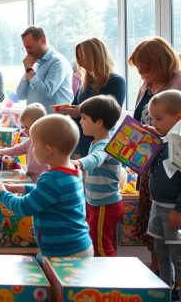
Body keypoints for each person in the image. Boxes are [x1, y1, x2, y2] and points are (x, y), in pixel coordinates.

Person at [128, 36, 181, 271]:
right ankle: (162, 284)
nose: (142, 73)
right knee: (157, 241)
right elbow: (144, 117)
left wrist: (164, 138)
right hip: (154, 169)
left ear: (161, 62)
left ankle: (180, 290)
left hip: (179, 175)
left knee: (179, 246)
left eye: (146, 67)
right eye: (139, 68)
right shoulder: (149, 82)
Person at [0, 114, 92, 258]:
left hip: (65, 253)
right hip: (73, 247)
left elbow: (24, 207)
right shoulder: (71, 171)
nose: (32, 149)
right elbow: (48, 195)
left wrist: (2, 195)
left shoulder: (52, 178)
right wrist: (21, 188)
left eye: (34, 145)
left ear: (48, 150)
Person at [147, 90, 181, 302]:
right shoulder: (166, 139)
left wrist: (179, 209)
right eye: (152, 118)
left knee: (180, 257)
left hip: (178, 210)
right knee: (161, 252)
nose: (154, 122)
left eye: (159, 119)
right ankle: (165, 293)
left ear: (178, 118)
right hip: (157, 206)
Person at [70, 95, 123, 257]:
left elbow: (96, 159)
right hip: (96, 203)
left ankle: (106, 280)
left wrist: (79, 163)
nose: (80, 122)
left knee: (100, 247)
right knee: (97, 241)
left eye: (84, 118)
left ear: (99, 122)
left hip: (105, 205)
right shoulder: (97, 142)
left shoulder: (105, 144)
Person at [59, 38, 126, 157]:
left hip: (99, 140)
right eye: (78, 57)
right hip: (80, 139)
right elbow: (75, 105)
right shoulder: (85, 82)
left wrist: (80, 111)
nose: (80, 62)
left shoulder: (116, 81)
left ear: (95, 56)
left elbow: (112, 114)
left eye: (83, 57)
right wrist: (67, 110)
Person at [16, 26, 74, 110]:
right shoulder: (34, 63)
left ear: (43, 41)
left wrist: (29, 69)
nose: (27, 51)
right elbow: (20, 95)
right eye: (25, 48)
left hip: (56, 121)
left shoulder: (57, 62)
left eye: (29, 47)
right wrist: (28, 71)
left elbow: (47, 92)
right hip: (37, 120)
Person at [0, 103, 49, 182]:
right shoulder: (29, 141)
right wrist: (1, 151)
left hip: (44, 181)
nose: (24, 131)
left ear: (40, 126)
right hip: (30, 179)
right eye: (23, 127)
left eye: (27, 127)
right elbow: (16, 150)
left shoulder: (48, 143)